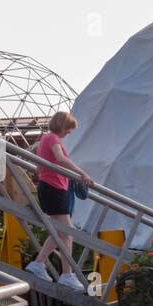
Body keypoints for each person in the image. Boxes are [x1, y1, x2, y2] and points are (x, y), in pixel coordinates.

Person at [26, 111, 93, 288]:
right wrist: (82, 174)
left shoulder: (45, 140)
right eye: (68, 129)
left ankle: (38, 264)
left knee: (59, 232)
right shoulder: (52, 139)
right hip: (54, 188)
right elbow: (60, 159)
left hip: (50, 188)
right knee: (67, 234)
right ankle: (67, 274)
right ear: (61, 124)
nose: (68, 133)